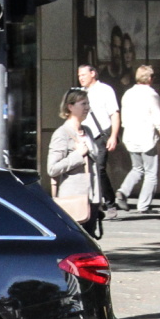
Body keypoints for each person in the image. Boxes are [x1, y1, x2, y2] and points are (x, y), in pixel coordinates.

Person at [115, 65, 160, 214]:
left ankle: (123, 191)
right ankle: (143, 206)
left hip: (131, 137)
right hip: (146, 138)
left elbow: (124, 118)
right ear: (150, 78)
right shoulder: (151, 95)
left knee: (137, 168)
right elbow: (158, 119)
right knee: (151, 173)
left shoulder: (128, 94)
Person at [48, 87, 102, 234]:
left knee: (90, 243)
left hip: (92, 198)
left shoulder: (88, 131)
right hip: (74, 199)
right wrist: (78, 155)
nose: (87, 107)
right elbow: (52, 168)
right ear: (70, 107)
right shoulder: (62, 134)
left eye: (88, 104)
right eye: (83, 104)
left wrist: (99, 199)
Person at [76, 64, 120, 219]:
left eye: (83, 74)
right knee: (86, 171)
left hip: (100, 135)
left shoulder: (105, 90)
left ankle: (110, 204)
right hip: (84, 136)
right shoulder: (79, 93)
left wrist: (113, 135)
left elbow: (114, 114)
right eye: (79, 75)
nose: (80, 78)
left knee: (99, 169)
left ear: (93, 73)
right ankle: (92, 205)